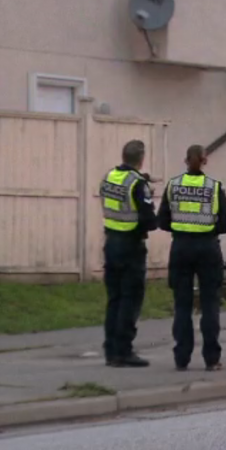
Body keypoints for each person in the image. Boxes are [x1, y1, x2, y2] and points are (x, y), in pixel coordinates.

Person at [157, 144, 226, 372]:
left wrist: (182, 227)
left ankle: (181, 358)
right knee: (210, 303)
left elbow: (162, 220)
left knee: (182, 304)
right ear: (204, 160)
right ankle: (211, 359)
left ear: (185, 160)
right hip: (208, 248)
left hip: (181, 247)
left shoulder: (173, 186)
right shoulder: (214, 187)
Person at [100, 140, 157, 368]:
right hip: (131, 246)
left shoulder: (110, 176)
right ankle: (124, 351)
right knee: (130, 300)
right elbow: (149, 220)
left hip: (111, 242)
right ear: (141, 159)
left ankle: (111, 350)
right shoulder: (138, 184)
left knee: (114, 299)